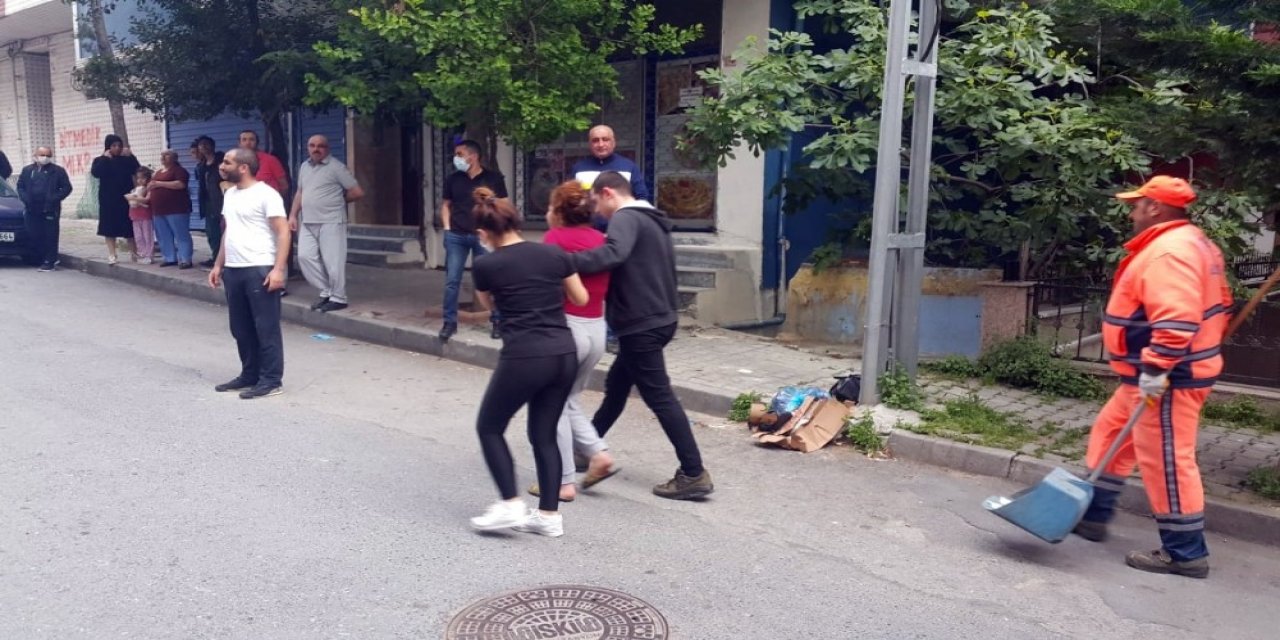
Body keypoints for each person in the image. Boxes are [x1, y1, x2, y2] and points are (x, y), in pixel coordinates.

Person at [1073, 176, 1231, 579]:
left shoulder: (1169, 252)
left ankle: (1185, 553)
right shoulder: (1192, 242)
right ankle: (1092, 515)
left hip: (1168, 377)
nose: (1132, 213)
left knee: (1166, 460)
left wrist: (1157, 369)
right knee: (1110, 435)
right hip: (1152, 373)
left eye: (1137, 205)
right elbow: (1216, 305)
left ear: (1155, 207)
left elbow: (1176, 321)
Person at [570, 171, 713, 501]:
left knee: (660, 397)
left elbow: (613, 254)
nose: (597, 211)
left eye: (597, 202)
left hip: (641, 323)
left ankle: (693, 473)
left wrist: (565, 261)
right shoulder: (653, 221)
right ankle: (588, 450)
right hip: (659, 318)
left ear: (608, 193)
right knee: (617, 388)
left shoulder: (626, 217)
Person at [468, 187, 589, 538]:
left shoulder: (486, 265)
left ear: (483, 234)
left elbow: (491, 306)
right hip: (564, 352)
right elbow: (580, 297)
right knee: (544, 434)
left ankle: (509, 503)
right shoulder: (554, 253)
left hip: (525, 354)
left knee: (489, 427)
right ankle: (548, 516)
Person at [528, 181, 618, 502]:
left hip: (567, 327)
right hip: (596, 328)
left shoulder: (554, 240)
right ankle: (598, 453)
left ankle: (562, 481)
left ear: (559, 211)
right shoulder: (601, 240)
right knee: (570, 399)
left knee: (552, 404)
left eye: (550, 207)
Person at [207, 149, 291, 400]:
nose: (222, 166)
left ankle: (271, 380)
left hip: (259, 267)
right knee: (240, 328)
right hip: (234, 269)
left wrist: (278, 270)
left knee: (266, 327)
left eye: (227, 162)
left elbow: (283, 232)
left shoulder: (267, 194)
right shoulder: (230, 194)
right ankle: (250, 374)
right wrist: (218, 265)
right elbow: (229, 231)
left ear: (243, 167)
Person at [439, 140, 508, 342]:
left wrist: (497, 230)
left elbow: (504, 205)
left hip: (483, 236)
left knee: (491, 279)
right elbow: (446, 205)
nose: (456, 158)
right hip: (456, 235)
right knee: (452, 281)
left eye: (460, 154)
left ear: (473, 156)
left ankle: (498, 321)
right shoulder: (453, 179)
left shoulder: (493, 178)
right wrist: (447, 228)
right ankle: (449, 323)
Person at [290, 135, 364, 313]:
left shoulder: (336, 167)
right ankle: (327, 291)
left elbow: (357, 192)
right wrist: (292, 215)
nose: (316, 149)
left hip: (331, 221)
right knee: (304, 257)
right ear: (307, 147)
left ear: (327, 148)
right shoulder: (304, 166)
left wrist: (338, 201)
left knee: (333, 262)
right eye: (312, 145)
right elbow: (300, 192)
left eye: (320, 146)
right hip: (308, 220)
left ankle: (339, 297)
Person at [571, 124, 650, 230]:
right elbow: (571, 200)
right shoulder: (579, 169)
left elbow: (641, 197)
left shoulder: (628, 167)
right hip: (587, 230)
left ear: (613, 142)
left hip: (622, 229)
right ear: (589, 144)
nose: (600, 144)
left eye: (605, 139)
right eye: (595, 140)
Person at [16, 146, 73, 272]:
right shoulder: (27, 170)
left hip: (50, 208)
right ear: (35, 155)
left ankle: (50, 261)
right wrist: (25, 198)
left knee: (50, 235)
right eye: (42, 155)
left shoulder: (57, 171)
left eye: (48, 155)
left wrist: (54, 198)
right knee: (34, 233)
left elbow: (67, 188)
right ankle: (40, 258)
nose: (45, 158)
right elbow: (20, 186)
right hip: (32, 208)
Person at [90, 134, 140, 265]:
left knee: (129, 226)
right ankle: (112, 254)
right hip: (108, 199)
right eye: (114, 146)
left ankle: (134, 253)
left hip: (125, 197)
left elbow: (137, 169)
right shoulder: (100, 160)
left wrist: (131, 155)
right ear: (108, 147)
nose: (117, 148)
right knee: (109, 227)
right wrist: (104, 158)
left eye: (119, 145)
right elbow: (96, 173)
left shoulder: (126, 159)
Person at [149, 150, 195, 269]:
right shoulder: (158, 172)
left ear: (174, 158)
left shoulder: (179, 170)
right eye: (162, 155)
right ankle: (169, 257)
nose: (163, 157)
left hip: (176, 209)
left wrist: (159, 184)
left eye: (167, 155)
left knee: (181, 234)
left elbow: (180, 184)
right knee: (163, 235)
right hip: (159, 210)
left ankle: (185, 259)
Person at [192, 136, 226, 268]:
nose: (204, 147)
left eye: (206, 144)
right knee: (212, 232)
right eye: (201, 145)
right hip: (207, 201)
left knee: (225, 230)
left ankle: (226, 259)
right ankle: (216, 257)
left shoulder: (221, 161)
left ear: (212, 145)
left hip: (222, 200)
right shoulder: (201, 165)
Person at [237, 130, 289, 195]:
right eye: (244, 140)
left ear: (257, 143)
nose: (248, 143)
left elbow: (284, 185)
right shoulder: (235, 162)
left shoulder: (270, 160)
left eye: (251, 139)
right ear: (239, 144)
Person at [124, 168, 154, 265]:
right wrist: (133, 198)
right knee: (138, 237)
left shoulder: (148, 190)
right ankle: (141, 253)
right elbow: (130, 199)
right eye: (138, 178)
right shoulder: (134, 190)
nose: (140, 180)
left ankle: (149, 255)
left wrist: (135, 198)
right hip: (135, 216)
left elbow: (146, 200)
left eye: (142, 178)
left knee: (147, 236)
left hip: (145, 216)